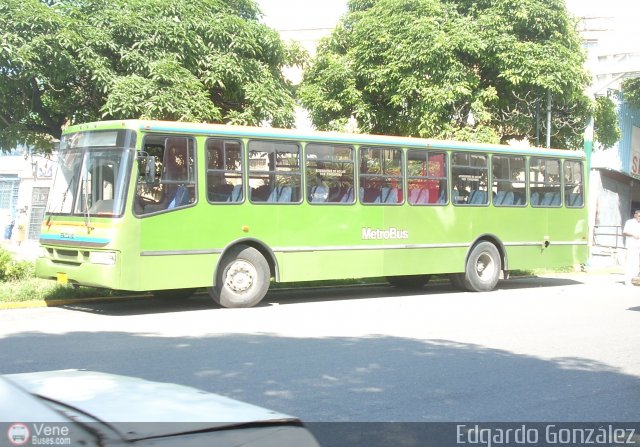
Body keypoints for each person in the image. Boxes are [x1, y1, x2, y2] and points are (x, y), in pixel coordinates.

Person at [622, 209, 640, 286]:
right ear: (635, 215)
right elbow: (625, 232)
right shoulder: (629, 222)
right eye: (639, 216)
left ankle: (634, 279)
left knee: (636, 264)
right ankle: (627, 280)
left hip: (638, 246)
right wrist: (633, 234)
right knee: (630, 263)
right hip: (631, 246)